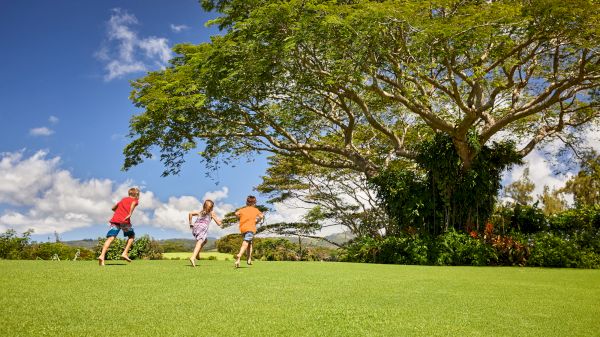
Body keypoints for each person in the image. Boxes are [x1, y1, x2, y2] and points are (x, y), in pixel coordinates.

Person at [97, 187, 140, 266]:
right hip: (124, 221)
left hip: (115, 220)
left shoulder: (123, 199)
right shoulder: (135, 200)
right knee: (131, 236)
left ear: (129, 193)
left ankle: (102, 256)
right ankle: (124, 253)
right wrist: (130, 213)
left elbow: (113, 208)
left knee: (110, 238)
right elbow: (133, 204)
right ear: (136, 194)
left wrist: (119, 211)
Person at [188, 199, 223, 267]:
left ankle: (197, 253)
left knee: (205, 240)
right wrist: (224, 220)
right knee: (200, 241)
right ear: (212, 207)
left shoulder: (200, 212)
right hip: (201, 229)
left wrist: (190, 223)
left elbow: (190, 214)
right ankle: (193, 257)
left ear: (204, 206)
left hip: (195, 228)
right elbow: (218, 223)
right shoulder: (212, 213)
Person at [234, 195, 264, 268]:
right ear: (254, 203)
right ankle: (239, 255)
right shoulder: (255, 210)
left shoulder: (243, 209)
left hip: (243, 228)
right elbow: (261, 216)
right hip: (250, 228)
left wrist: (239, 218)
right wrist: (257, 220)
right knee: (246, 242)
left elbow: (236, 213)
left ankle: (249, 259)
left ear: (246, 202)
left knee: (249, 243)